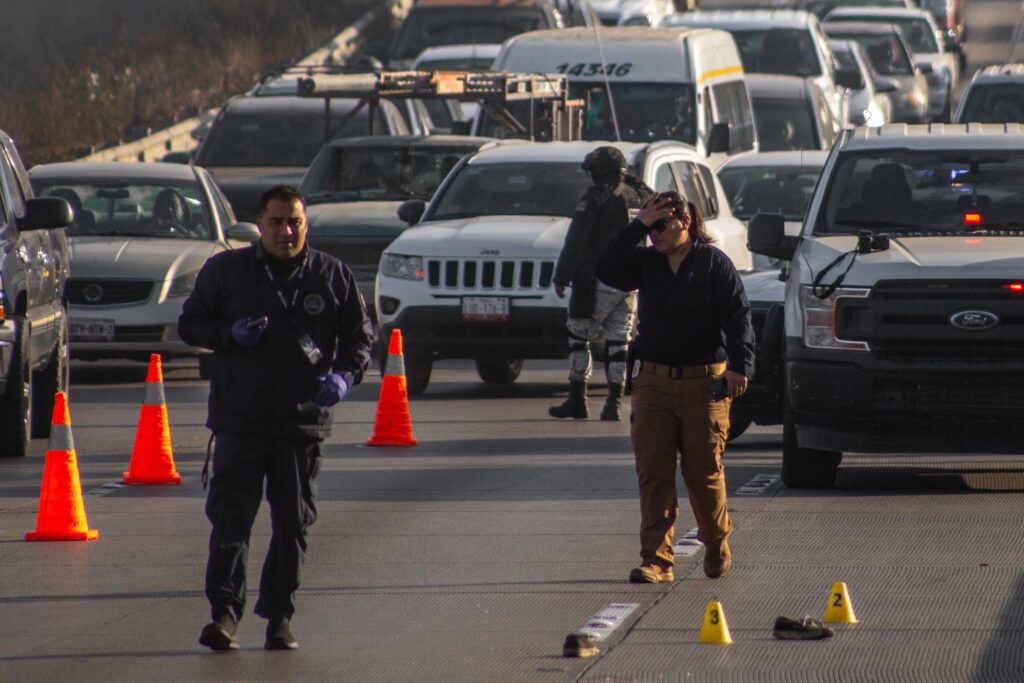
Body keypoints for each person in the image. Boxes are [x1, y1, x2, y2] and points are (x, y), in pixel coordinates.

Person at [178, 185, 374, 651]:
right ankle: (224, 614)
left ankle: (279, 617)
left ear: (306, 225)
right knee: (232, 521)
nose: (287, 231)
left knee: (293, 525)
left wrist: (345, 378)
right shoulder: (227, 271)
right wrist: (228, 334)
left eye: (295, 222)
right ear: (258, 226)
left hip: (300, 424)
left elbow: (360, 339)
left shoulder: (332, 276)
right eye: (277, 222)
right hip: (241, 421)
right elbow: (190, 323)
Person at [596, 190, 754, 584]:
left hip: (705, 382)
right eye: (651, 228)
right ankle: (657, 559)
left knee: (702, 470)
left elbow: (738, 315)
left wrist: (739, 366)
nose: (655, 235)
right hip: (653, 381)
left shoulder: (713, 263)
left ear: (685, 222)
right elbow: (606, 268)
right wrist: (637, 224)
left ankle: (716, 538)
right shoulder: (647, 263)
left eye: (662, 225)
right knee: (654, 470)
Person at [549, 146, 652, 421]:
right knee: (619, 342)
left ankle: (577, 399)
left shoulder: (596, 198)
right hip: (630, 282)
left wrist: (561, 275)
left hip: (597, 278)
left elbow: (576, 238)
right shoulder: (639, 196)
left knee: (579, 336)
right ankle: (613, 404)